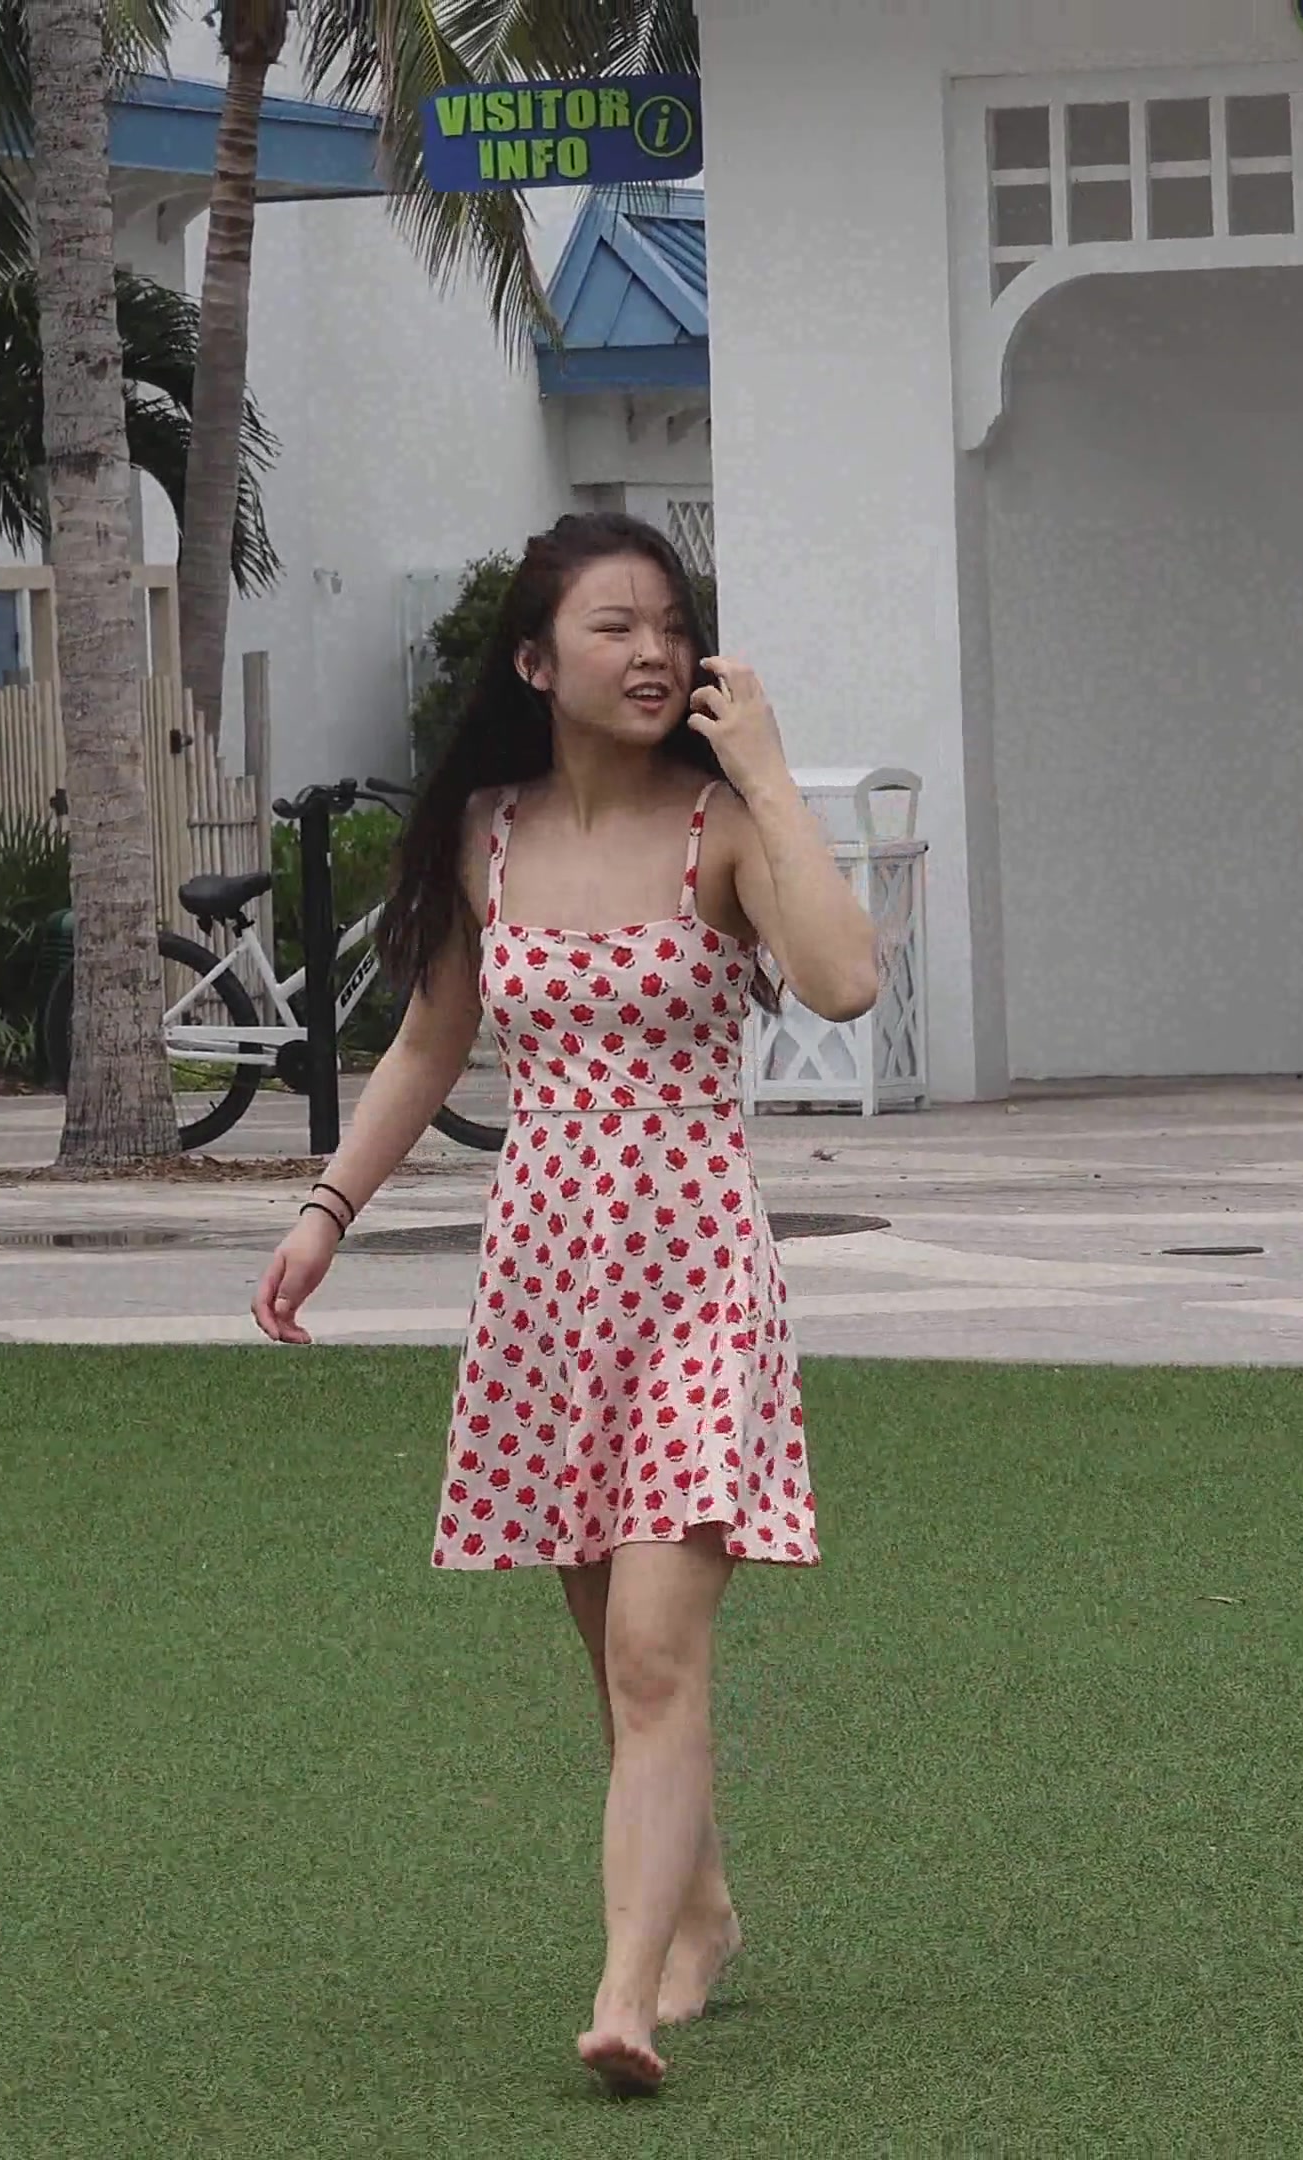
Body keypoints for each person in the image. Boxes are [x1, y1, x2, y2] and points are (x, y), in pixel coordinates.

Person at [251, 512, 883, 2096]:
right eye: (617, 626)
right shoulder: (489, 833)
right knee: (617, 1657)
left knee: (659, 1652)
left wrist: (772, 777)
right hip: (545, 1289)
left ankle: (624, 1996)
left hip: (699, 1279)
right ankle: (702, 1911)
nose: (654, 651)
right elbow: (428, 1046)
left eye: (672, 625)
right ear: (537, 663)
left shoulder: (719, 829)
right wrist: (328, 1211)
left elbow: (844, 982)